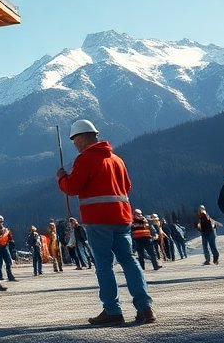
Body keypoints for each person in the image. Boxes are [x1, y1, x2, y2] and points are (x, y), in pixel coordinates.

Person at [57, 118, 155, 326]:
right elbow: (127, 187)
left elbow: (72, 188)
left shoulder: (85, 159)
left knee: (104, 264)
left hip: (98, 219)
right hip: (122, 218)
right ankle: (145, 308)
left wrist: (62, 178)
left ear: (81, 138)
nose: (75, 145)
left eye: (75, 141)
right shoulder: (117, 159)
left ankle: (112, 310)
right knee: (129, 260)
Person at [0, 215, 17, 282]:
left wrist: (13, 252)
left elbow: (11, 241)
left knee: (8, 262)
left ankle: (10, 276)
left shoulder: (6, 231)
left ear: (3, 222)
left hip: (5, 247)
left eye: (0, 221)